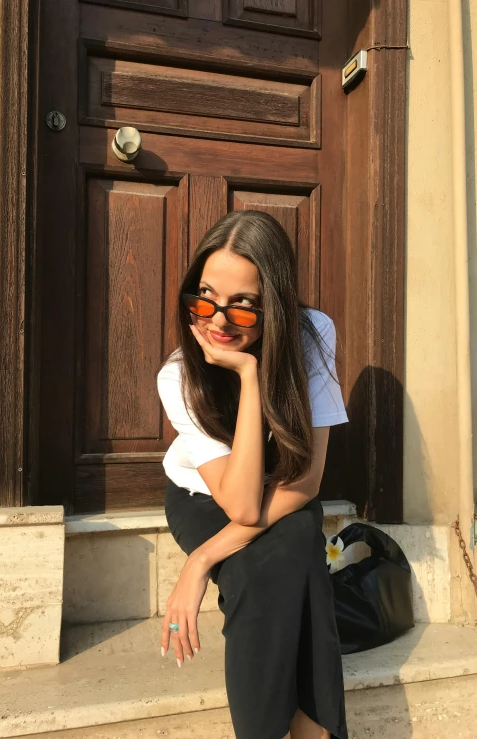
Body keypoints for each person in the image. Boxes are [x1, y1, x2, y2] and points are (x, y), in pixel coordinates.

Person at [156, 210, 349, 739]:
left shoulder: (312, 335)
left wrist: (200, 563)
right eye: (204, 299)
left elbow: (306, 482)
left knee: (294, 542)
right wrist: (246, 376)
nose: (217, 322)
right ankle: (314, 730)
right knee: (272, 561)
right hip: (203, 497)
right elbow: (238, 504)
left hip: (285, 491)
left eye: (243, 309)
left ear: (276, 310)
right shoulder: (177, 376)